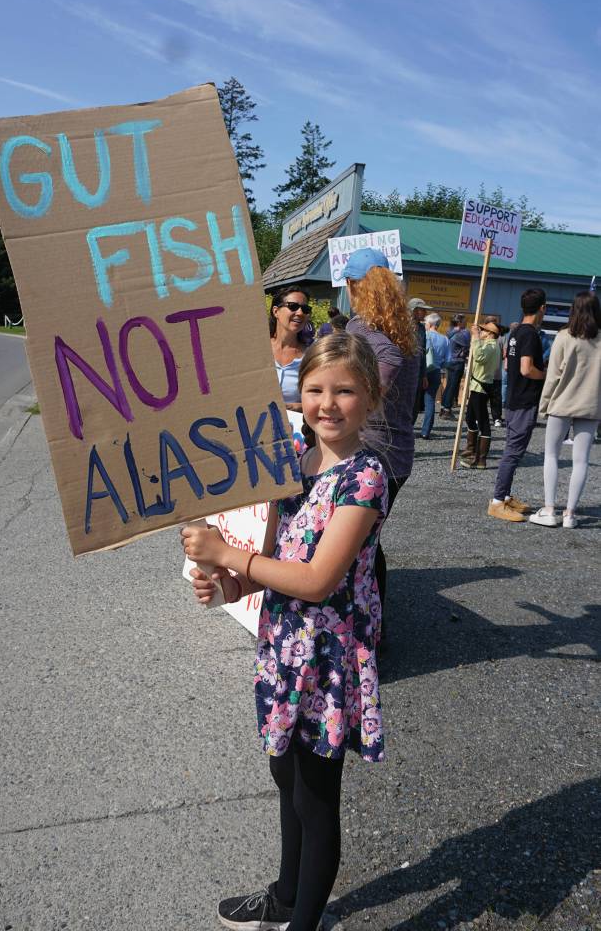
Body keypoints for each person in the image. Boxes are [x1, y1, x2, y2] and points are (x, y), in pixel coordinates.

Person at [182, 331, 388, 931]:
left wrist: (229, 554)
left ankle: (305, 923)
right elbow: (275, 558)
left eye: (345, 391)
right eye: (316, 389)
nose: (328, 403)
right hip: (282, 648)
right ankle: (285, 894)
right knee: (284, 774)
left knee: (316, 796)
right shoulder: (293, 462)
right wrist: (227, 583)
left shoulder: (365, 477)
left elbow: (319, 578)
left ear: (370, 397)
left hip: (327, 660)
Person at [344, 248, 419, 626]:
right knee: (367, 543)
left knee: (357, 545)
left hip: (369, 455)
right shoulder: (405, 333)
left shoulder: (366, 334)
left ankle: (367, 629)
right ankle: (372, 626)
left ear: (356, 286)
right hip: (397, 455)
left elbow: (365, 398)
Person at [529, 291, 601, 528]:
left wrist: (545, 403)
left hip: (562, 402)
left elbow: (553, 376)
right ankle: (570, 514)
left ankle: (549, 510)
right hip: (590, 405)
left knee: (551, 455)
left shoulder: (563, 336)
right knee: (581, 461)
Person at [488, 288, 547, 522]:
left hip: (513, 397)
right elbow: (526, 368)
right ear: (542, 308)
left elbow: (507, 365)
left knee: (512, 451)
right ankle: (497, 500)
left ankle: (505, 496)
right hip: (524, 400)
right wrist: (546, 374)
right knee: (512, 453)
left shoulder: (514, 332)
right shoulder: (530, 334)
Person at [459, 320, 501, 468]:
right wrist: (476, 338)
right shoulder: (487, 345)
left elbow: (479, 357)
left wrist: (476, 338)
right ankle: (471, 449)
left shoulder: (492, 346)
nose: (481, 332)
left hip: (481, 388)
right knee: (470, 418)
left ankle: (481, 459)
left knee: (483, 423)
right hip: (476, 386)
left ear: (490, 334)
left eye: (483, 331)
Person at [270, 286, 311, 411]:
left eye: (305, 309)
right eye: (293, 306)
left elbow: (321, 398)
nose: (300, 313)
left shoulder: (312, 355)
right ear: (276, 311)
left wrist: (294, 407)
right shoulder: (256, 349)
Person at [420, 312, 449, 439]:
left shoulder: (424, 336)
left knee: (414, 401)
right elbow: (448, 360)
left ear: (430, 324)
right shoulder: (445, 339)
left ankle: (408, 428)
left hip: (422, 371)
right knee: (430, 401)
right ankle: (426, 431)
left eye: (425, 323)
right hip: (436, 371)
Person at [439, 314, 470, 418]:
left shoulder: (449, 331)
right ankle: (447, 410)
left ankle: (443, 408)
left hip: (450, 361)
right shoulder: (463, 333)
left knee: (449, 385)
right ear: (460, 322)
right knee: (453, 386)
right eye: (465, 320)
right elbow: (467, 346)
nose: (466, 322)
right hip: (458, 362)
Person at [408, 297, 430, 423]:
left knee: (415, 405)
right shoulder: (402, 325)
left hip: (417, 372)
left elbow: (423, 352)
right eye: (423, 310)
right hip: (405, 371)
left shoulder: (422, 328)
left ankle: (410, 428)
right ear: (414, 310)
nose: (425, 313)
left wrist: (424, 375)